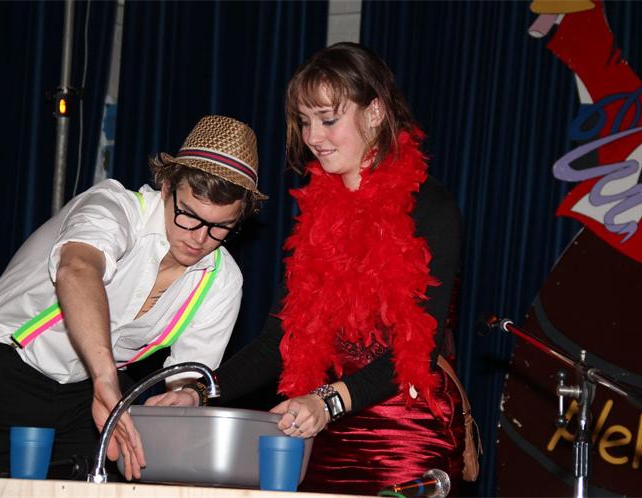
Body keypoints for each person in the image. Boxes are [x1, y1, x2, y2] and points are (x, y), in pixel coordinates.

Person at [148, 43, 468, 495]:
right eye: (304, 121)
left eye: (328, 119)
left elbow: (417, 350)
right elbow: (277, 342)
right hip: (321, 429)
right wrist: (201, 391)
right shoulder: (317, 215)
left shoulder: (431, 207)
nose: (313, 136)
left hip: (403, 435)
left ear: (375, 112)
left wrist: (329, 400)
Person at [0, 115, 266, 480]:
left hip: (85, 400)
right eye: (189, 216)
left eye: (221, 227)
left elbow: (185, 379)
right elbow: (77, 269)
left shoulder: (222, 281)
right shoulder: (115, 207)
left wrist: (183, 401)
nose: (200, 238)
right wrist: (105, 377)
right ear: (167, 187)